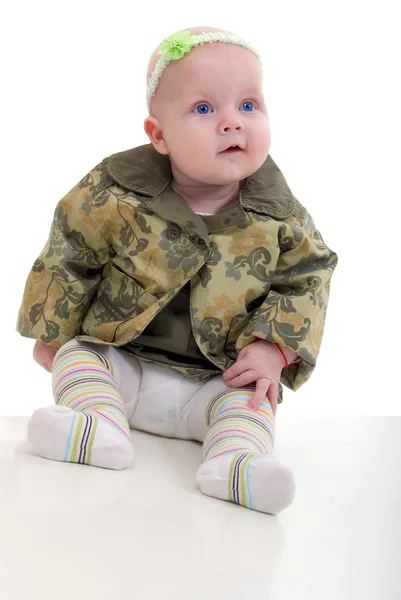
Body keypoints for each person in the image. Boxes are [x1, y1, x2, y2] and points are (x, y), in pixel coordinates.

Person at [16, 26, 338, 515]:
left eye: (248, 105)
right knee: (78, 357)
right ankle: (95, 425)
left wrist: (275, 349)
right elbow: (70, 249)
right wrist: (50, 331)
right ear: (158, 135)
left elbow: (308, 277)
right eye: (205, 109)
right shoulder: (116, 190)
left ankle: (237, 465)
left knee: (253, 400)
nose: (233, 123)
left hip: (216, 379)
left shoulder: (280, 215)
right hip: (124, 359)